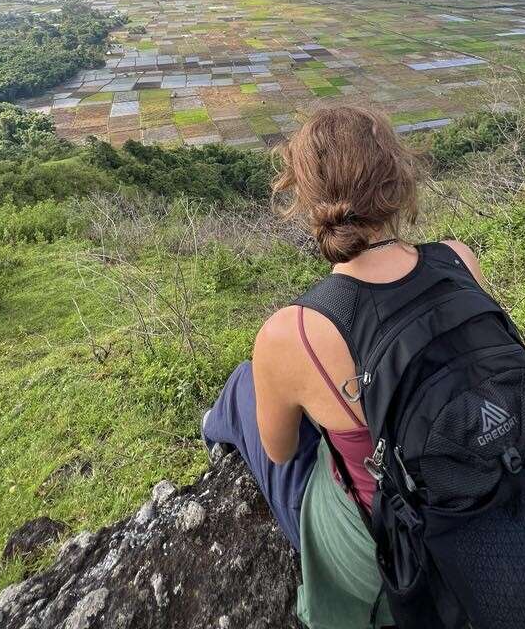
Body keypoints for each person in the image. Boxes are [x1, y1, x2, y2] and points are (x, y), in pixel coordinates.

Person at [202, 105, 485, 629]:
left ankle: (211, 435)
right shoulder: (458, 259)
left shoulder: (292, 332)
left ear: (305, 197)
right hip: (483, 502)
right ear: (397, 179)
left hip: (395, 553)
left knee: (245, 384)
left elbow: (280, 452)